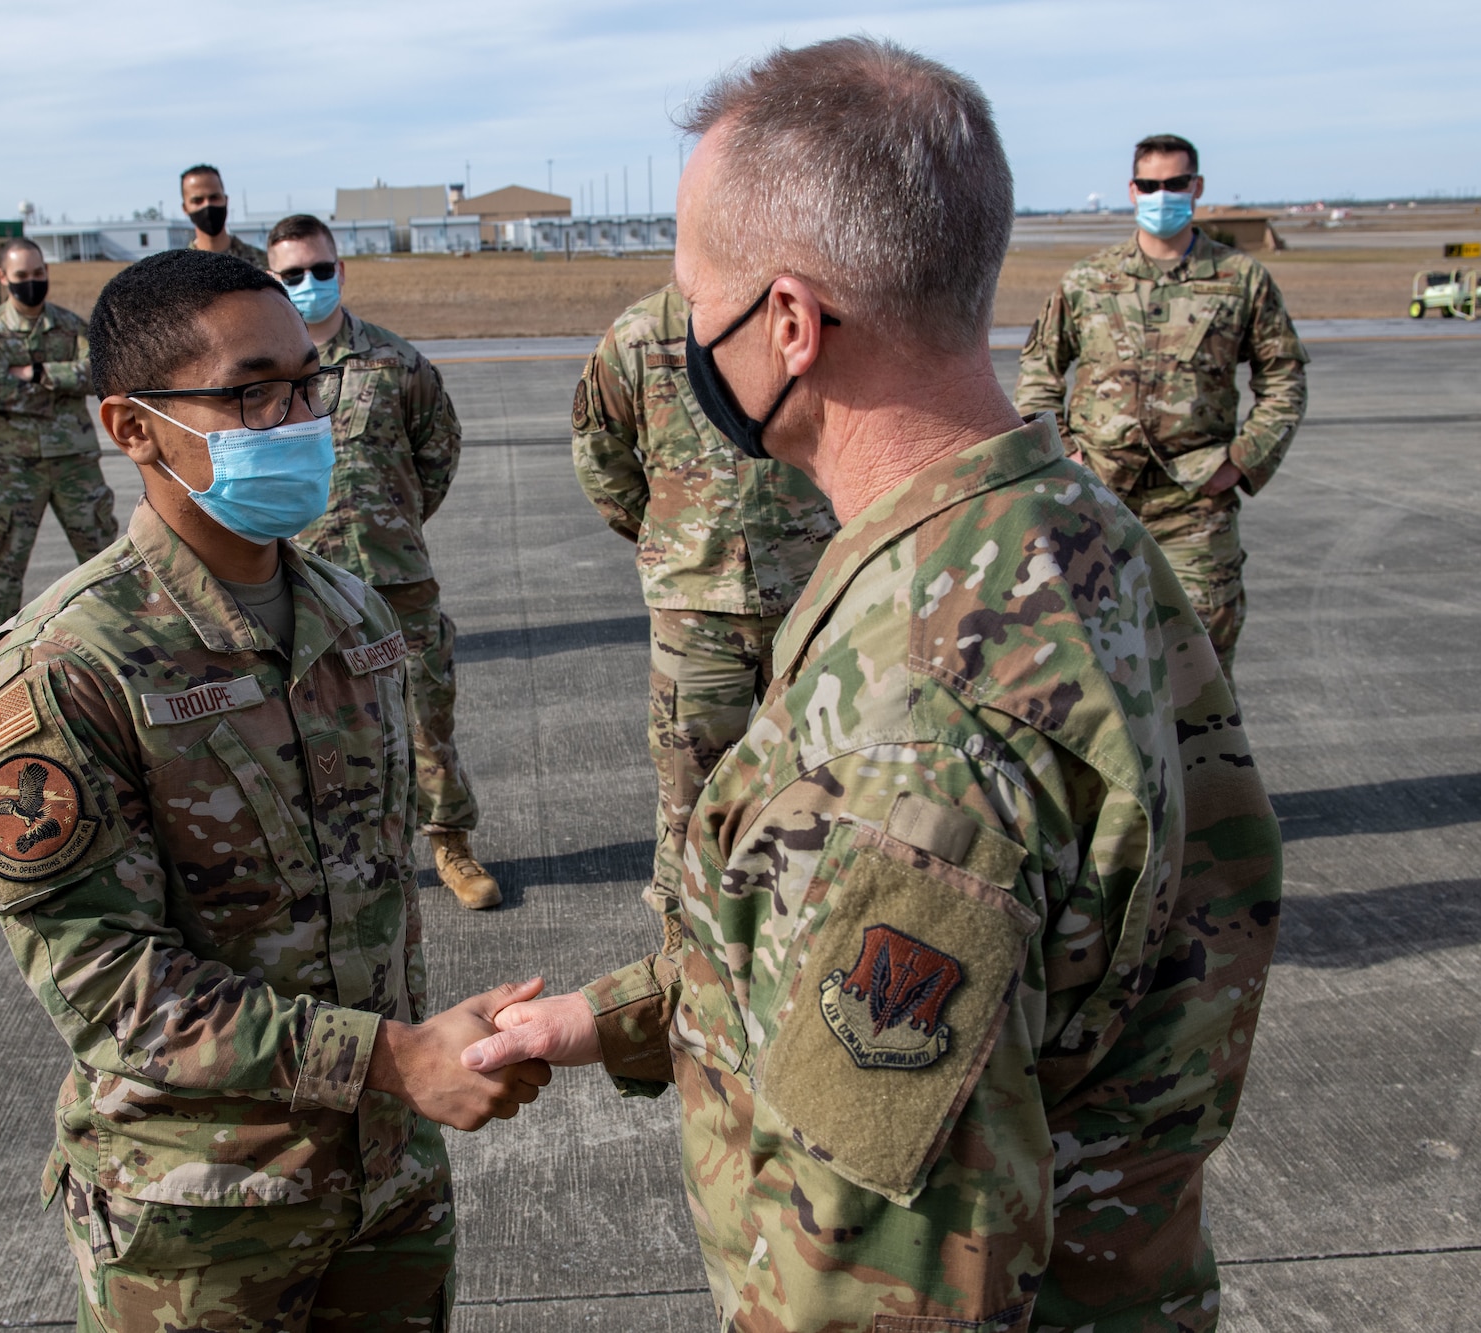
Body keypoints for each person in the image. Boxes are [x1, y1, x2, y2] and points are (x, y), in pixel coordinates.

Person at [467, 38, 1283, 1331]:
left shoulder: (912, 724)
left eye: (699, 297)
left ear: (789, 322)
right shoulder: (1064, 528)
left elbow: (885, 1283)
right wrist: (613, 1016)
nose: (688, 335)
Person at [0, 248, 549, 1328]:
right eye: (249, 392)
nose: (296, 416)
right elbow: (102, 979)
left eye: (305, 383)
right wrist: (388, 1056)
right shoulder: (66, 667)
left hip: (387, 1179)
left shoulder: (354, 616)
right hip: (202, 1216)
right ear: (130, 427)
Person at [572, 285, 836, 945]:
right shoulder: (638, 335)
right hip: (696, 612)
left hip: (810, 595)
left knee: (821, 781)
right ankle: (680, 954)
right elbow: (600, 453)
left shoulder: (807, 318)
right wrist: (671, 537)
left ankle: (797, 938)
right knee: (688, 801)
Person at [265, 213, 501, 911]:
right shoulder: (264, 378)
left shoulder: (395, 361)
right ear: (273, 281)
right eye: (292, 274)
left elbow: (439, 448)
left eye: (321, 269)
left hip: (396, 577)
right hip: (302, 584)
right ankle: (336, 864)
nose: (309, 283)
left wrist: (396, 518)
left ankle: (451, 844)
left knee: (427, 716)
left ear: (342, 269)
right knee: (311, 731)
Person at [1014, 132, 1307, 681]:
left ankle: (1205, 772)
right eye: (1150, 185)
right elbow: (1038, 372)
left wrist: (1244, 459)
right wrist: (1065, 456)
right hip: (1098, 498)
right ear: (1132, 190)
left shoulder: (1241, 280)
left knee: (1201, 669)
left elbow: (1284, 375)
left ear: (1196, 188)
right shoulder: (1089, 280)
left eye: (1174, 184)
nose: (1162, 194)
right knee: (1089, 667)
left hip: (1195, 503)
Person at [0, 237, 118, 640]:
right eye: (21, 276)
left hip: (75, 465)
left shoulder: (70, 326)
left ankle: (120, 652)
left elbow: (98, 375)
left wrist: (36, 373)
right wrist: (62, 380)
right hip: (14, 469)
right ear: (2, 278)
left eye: (38, 273)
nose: (32, 282)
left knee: (105, 565)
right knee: (2, 573)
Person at [181, 163, 267, 267]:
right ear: (185, 208)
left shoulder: (263, 263)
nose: (207, 205)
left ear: (226, 200)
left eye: (214, 197)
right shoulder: (180, 270)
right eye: (198, 200)